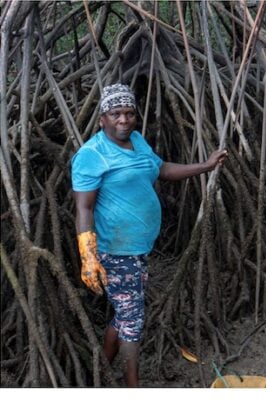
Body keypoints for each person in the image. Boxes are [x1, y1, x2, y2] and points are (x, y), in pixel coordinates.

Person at [71, 83, 228, 386]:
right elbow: (84, 209)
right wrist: (88, 258)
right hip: (114, 251)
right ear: (102, 117)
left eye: (129, 113)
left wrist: (205, 166)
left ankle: (102, 372)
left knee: (126, 312)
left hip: (138, 248)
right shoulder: (91, 155)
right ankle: (133, 389)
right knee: (133, 321)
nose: (124, 119)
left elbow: (161, 169)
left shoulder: (137, 141)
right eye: (116, 113)